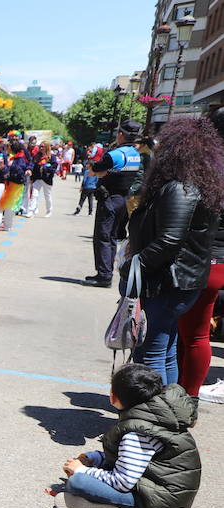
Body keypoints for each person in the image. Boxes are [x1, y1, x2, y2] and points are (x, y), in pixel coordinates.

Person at [122, 117, 224, 389]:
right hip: (181, 280)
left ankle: (155, 419)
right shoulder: (197, 185)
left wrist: (133, 265)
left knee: (152, 353)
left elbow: (169, 240)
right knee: (165, 350)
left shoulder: (180, 188)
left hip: (170, 282)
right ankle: (167, 413)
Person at [56, 363, 199, 508]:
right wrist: (95, 458)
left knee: (78, 482)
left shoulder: (137, 434)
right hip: (168, 501)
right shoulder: (156, 416)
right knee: (91, 474)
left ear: (113, 397)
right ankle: (103, 505)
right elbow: (131, 459)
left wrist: (82, 471)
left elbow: (123, 481)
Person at [187, 110, 224, 402]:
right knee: (198, 335)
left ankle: (187, 396)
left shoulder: (208, 167)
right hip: (217, 261)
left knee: (193, 334)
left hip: (206, 258)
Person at [85, 120, 143, 287]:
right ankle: (105, 272)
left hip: (109, 199)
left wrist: (100, 171)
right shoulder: (135, 154)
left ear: (120, 134)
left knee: (103, 237)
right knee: (110, 237)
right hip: (123, 200)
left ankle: (104, 275)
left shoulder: (116, 154)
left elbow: (95, 171)